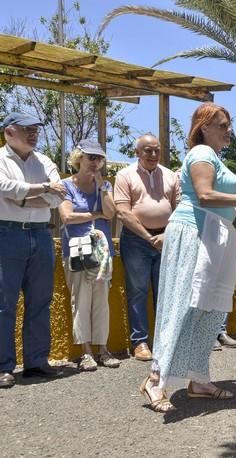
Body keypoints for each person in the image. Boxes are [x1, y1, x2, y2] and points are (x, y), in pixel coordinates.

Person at [138, 103, 236, 412]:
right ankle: (154, 378)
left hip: (217, 234)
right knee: (183, 304)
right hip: (194, 232)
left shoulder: (216, 160)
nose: (228, 130)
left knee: (210, 308)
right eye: (222, 125)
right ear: (203, 128)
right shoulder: (199, 154)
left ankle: (198, 378)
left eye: (229, 124)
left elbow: (231, 207)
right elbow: (204, 195)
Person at [0, 112, 66, 388]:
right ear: (9, 133)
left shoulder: (45, 161)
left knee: (40, 301)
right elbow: (4, 186)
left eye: (36, 129)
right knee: (4, 303)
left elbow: (58, 195)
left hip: (41, 235)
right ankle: (4, 366)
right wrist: (42, 188)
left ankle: (36, 362)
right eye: (26, 129)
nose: (34, 133)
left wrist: (24, 201)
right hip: (6, 233)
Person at [114, 134, 181, 361]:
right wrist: (148, 237)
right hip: (135, 240)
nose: (153, 155)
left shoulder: (171, 176)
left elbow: (179, 209)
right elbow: (123, 211)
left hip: (166, 238)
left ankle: (165, 340)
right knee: (138, 291)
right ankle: (140, 342)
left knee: (165, 292)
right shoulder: (124, 175)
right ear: (137, 152)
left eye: (156, 150)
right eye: (147, 151)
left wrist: (165, 235)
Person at [58, 140, 120, 371]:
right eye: (90, 158)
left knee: (100, 300)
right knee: (81, 299)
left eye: (99, 158)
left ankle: (103, 349)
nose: (95, 163)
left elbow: (111, 213)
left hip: (102, 249)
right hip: (77, 247)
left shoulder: (105, 186)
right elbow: (67, 217)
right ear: (79, 159)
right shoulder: (65, 185)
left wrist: (102, 186)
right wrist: (95, 214)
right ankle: (85, 352)